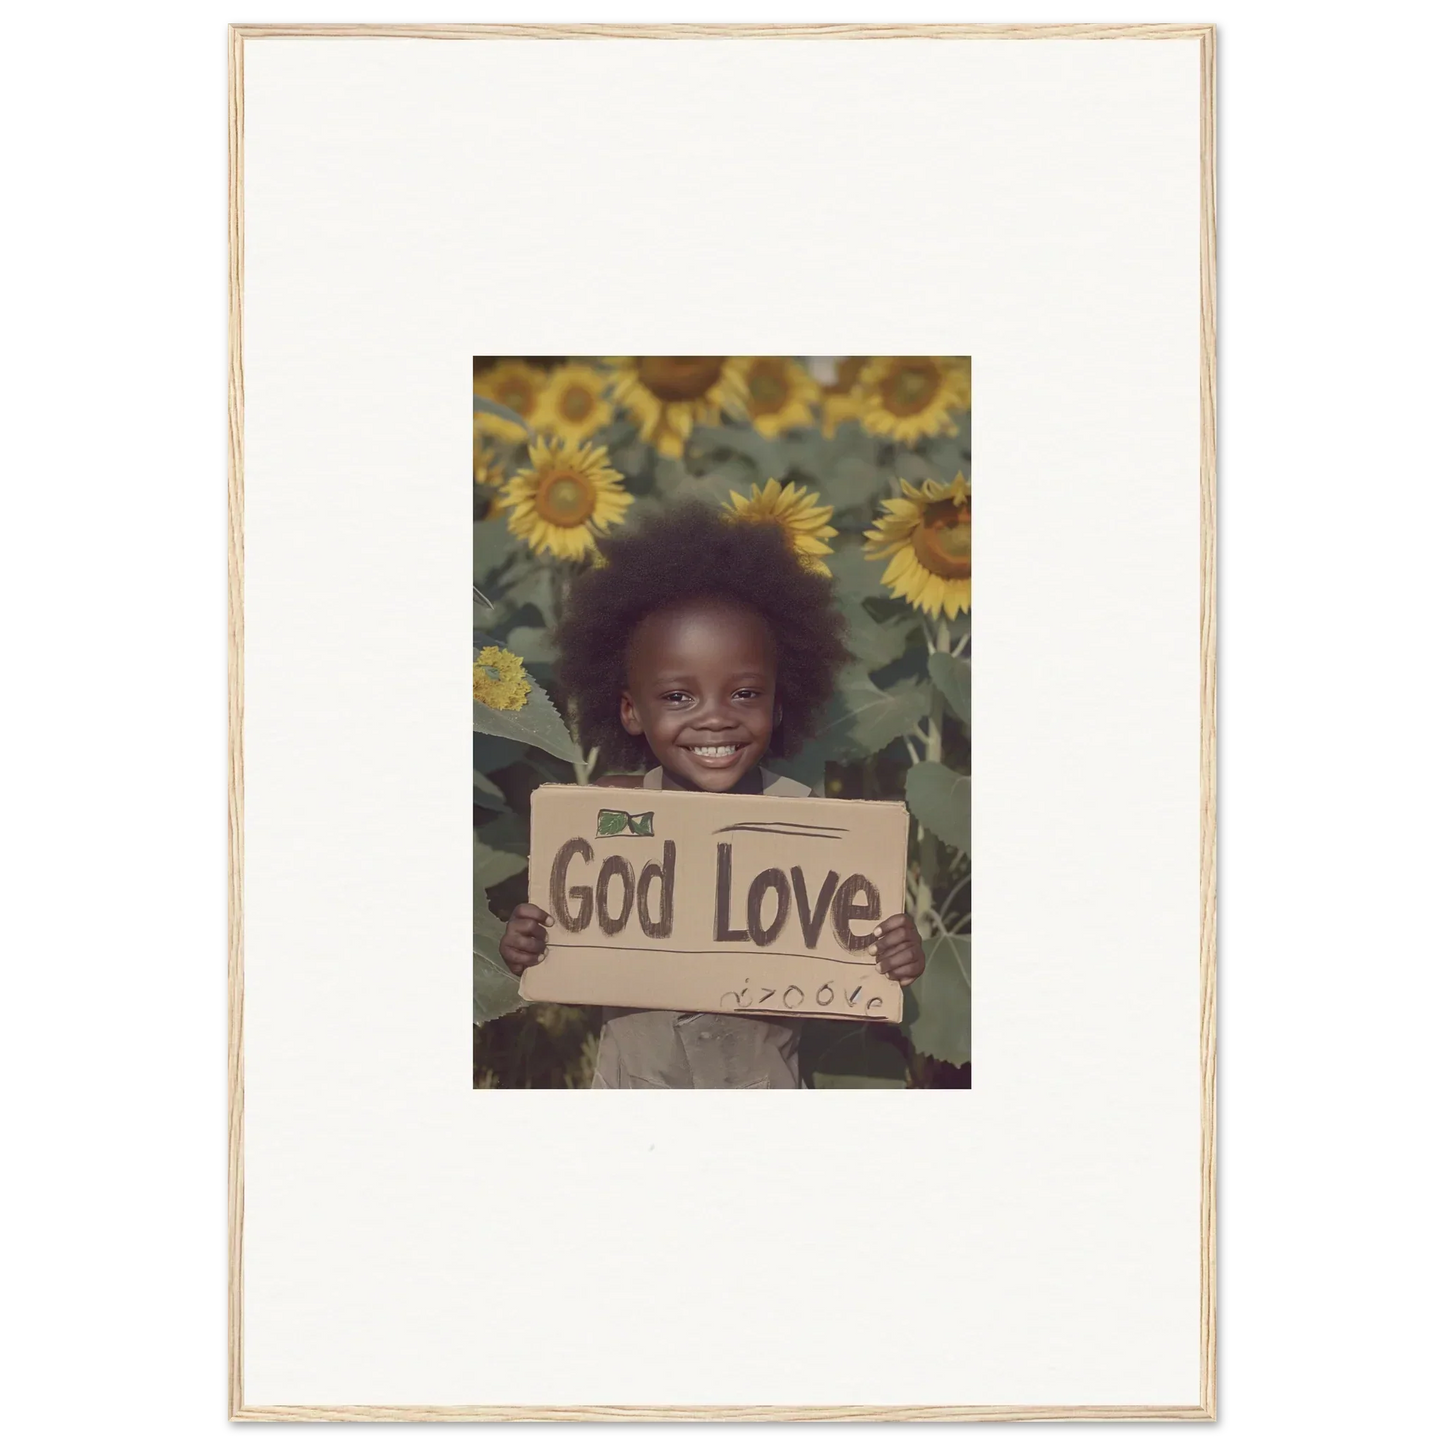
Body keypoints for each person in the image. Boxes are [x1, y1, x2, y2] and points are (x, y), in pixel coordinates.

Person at [499, 501, 926, 1088]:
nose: (715, 720)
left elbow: (854, 958)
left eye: (745, 694)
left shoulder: (808, 827)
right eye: (679, 697)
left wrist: (897, 954)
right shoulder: (612, 818)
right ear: (629, 710)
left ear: (779, 704)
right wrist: (533, 945)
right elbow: (579, 954)